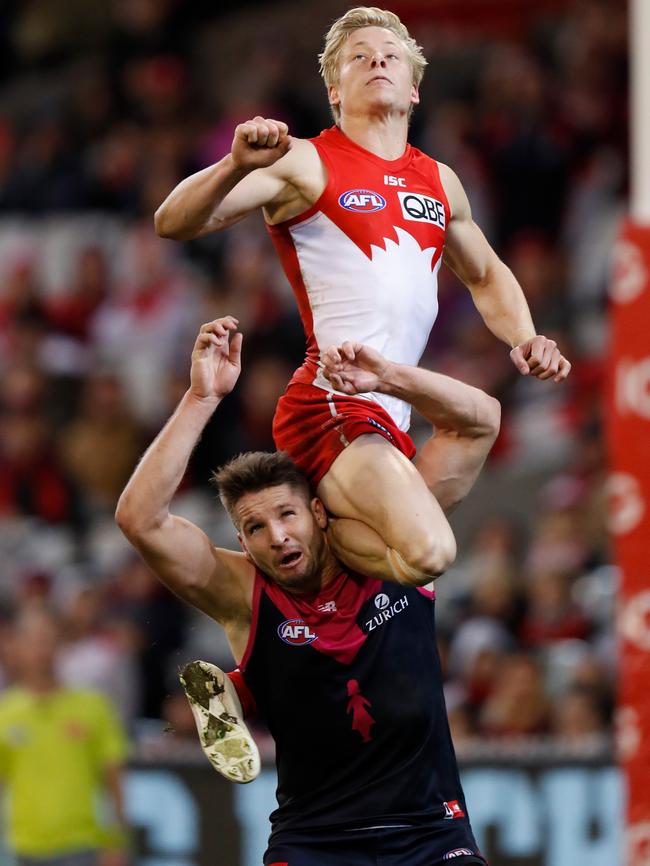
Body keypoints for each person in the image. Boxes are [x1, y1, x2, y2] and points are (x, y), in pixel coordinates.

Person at [153, 6, 570, 587]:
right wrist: (233, 164)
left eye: (391, 55)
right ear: (333, 89)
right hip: (329, 403)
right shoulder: (305, 160)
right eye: (360, 56)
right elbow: (173, 222)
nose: (378, 60)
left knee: (475, 433)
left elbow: (485, 274)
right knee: (428, 556)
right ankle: (309, 554)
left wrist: (526, 337)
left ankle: (316, 578)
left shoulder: (439, 180)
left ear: (415, 89)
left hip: (389, 415)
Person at [116, 317, 493, 866]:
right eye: (255, 528)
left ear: (319, 511)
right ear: (242, 542)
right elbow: (140, 520)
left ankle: (238, 692)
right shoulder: (244, 591)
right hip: (317, 841)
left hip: (430, 833)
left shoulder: (397, 543)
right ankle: (239, 691)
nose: (277, 537)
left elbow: (476, 424)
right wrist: (201, 398)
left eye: (286, 515)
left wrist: (386, 378)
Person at [0, 609, 130, 866]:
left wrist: (117, 841)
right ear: (18, 647)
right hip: (24, 847)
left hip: (82, 844)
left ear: (60, 645)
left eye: (47, 640)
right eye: (33, 641)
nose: (41, 650)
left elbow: (114, 779)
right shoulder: (6, 713)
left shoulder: (93, 706)